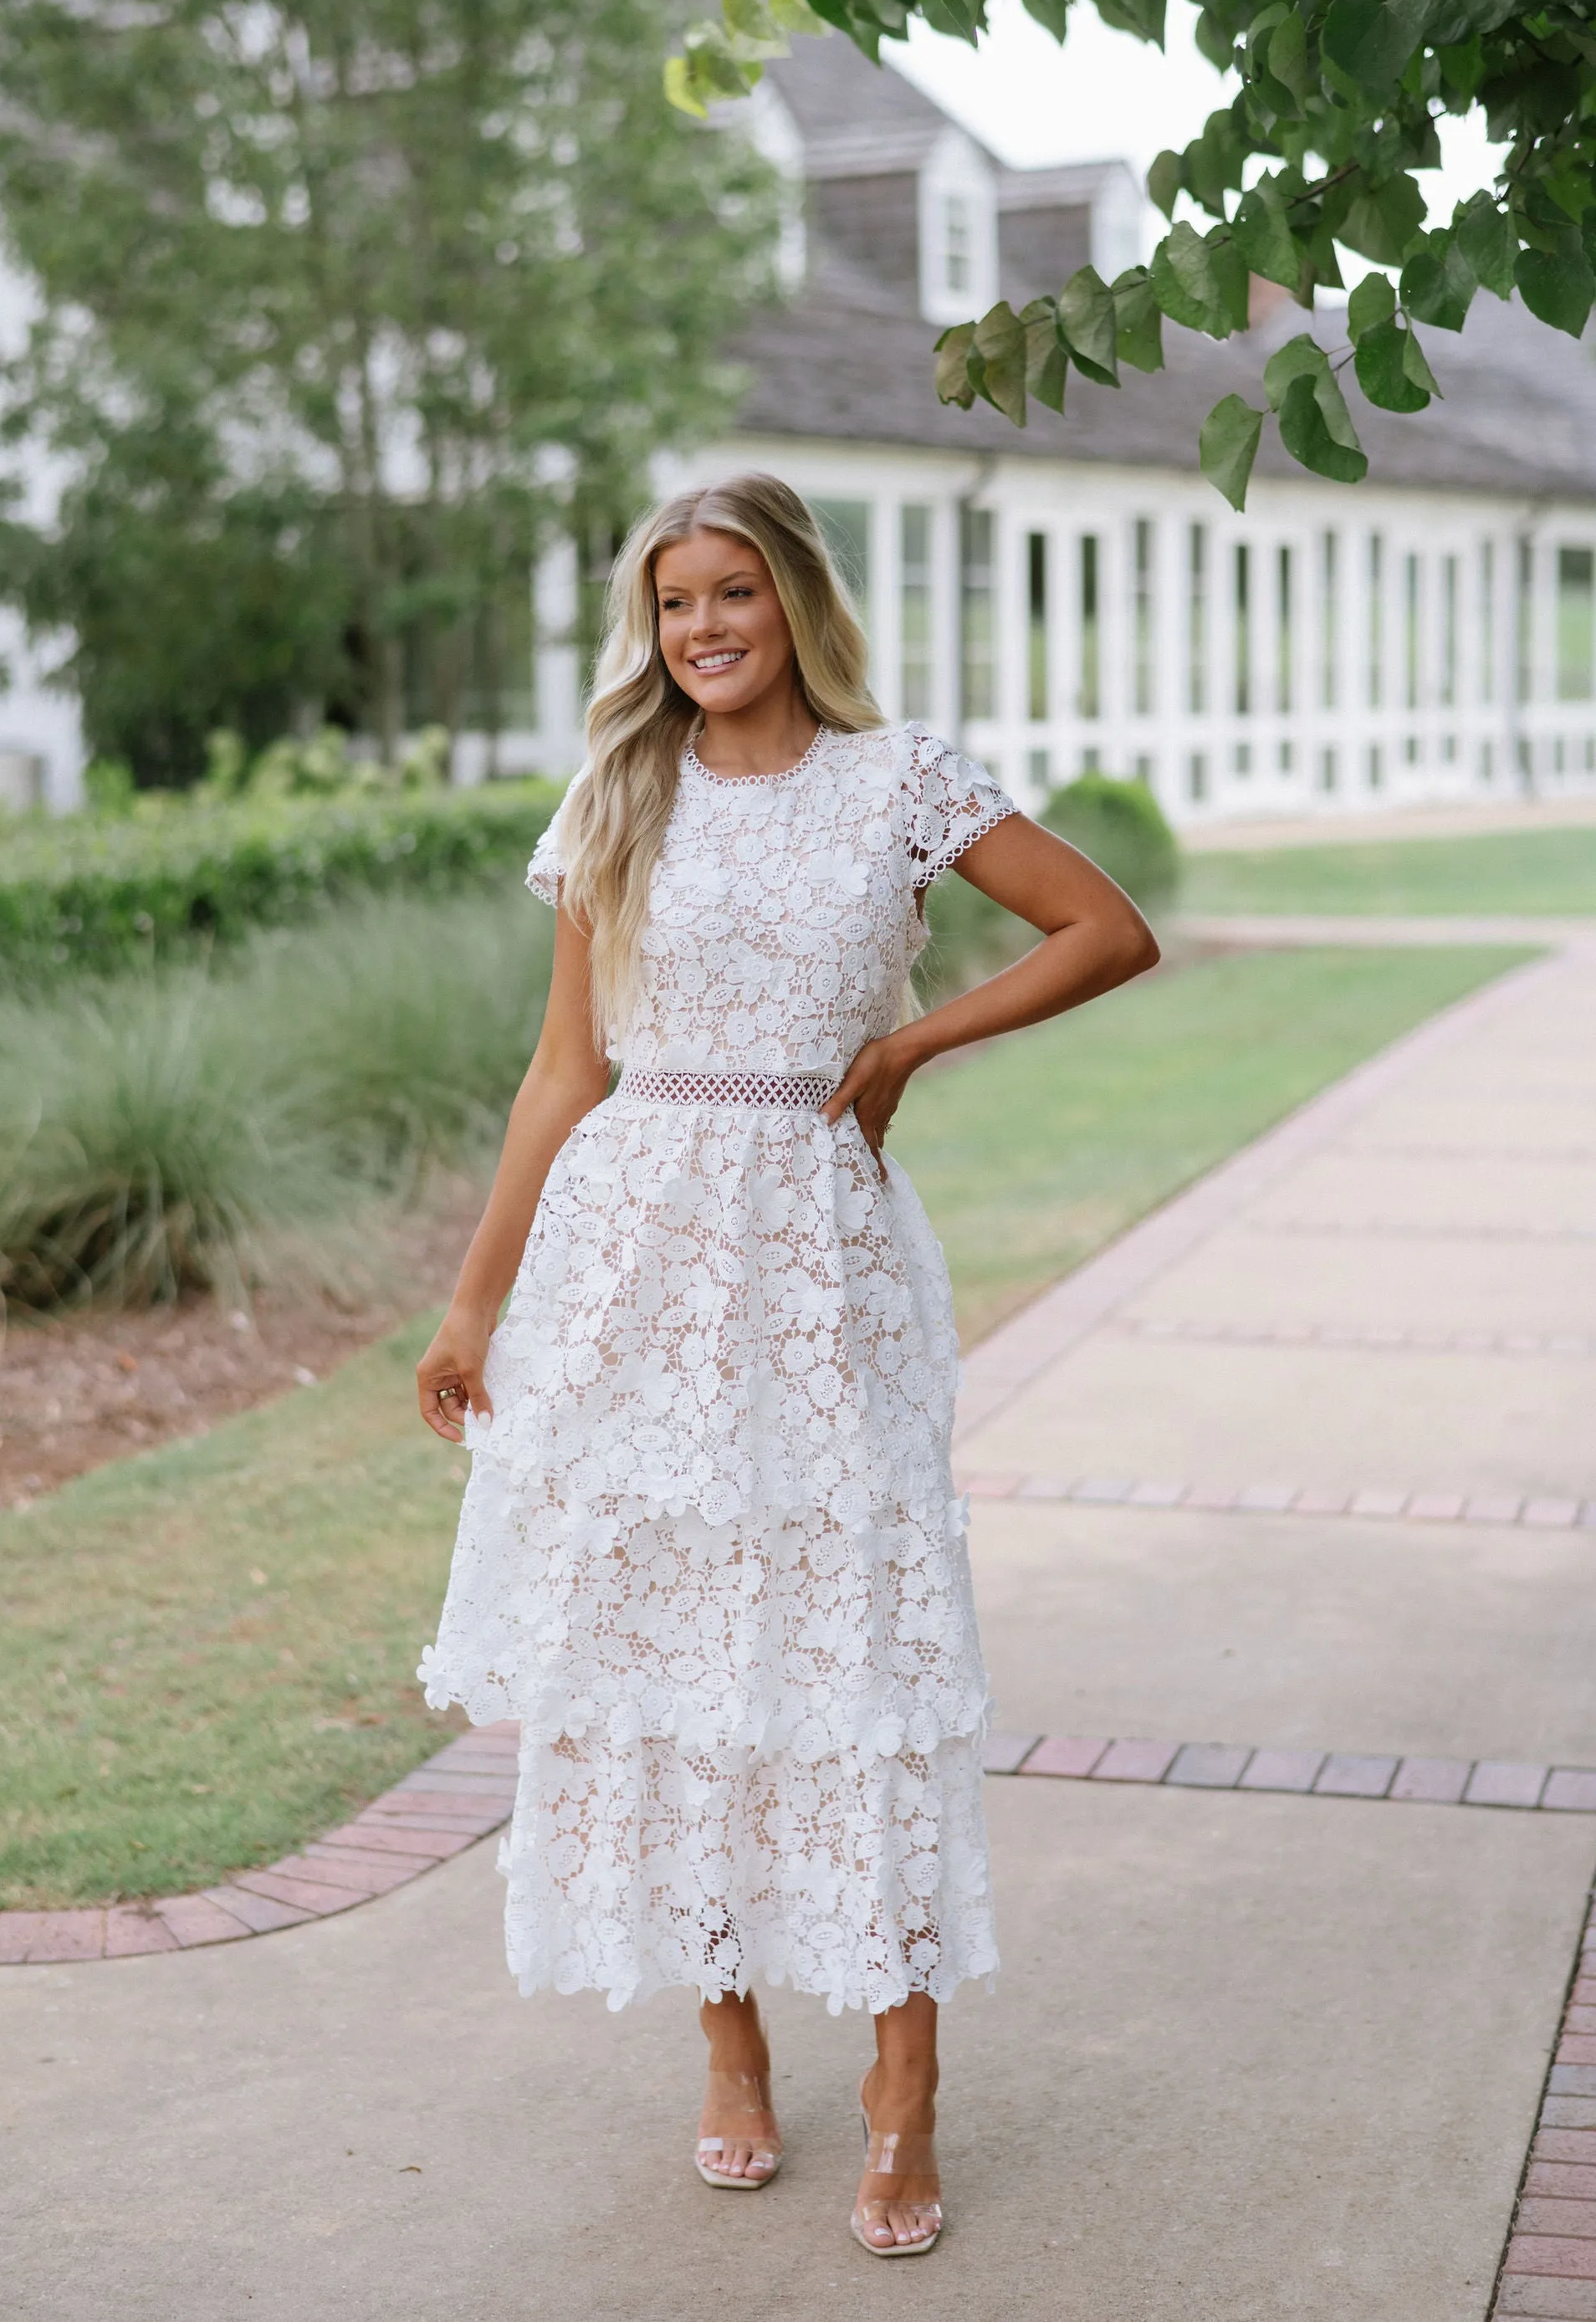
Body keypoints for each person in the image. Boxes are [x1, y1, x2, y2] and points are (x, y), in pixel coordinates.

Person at [416, 473, 1157, 2255]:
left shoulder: (900, 780)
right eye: (672, 603)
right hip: (629, 1269)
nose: (700, 629)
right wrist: (469, 1304)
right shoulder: (620, 794)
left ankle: (904, 2091)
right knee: (667, 1658)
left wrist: (911, 1042)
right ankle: (730, 2049)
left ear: (793, 600)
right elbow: (558, 1075)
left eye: (730, 592)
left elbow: (1104, 930)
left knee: (858, 1657)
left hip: (821, 1273)